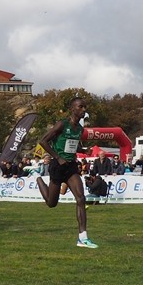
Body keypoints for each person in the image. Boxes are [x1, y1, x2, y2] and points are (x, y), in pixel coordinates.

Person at [35, 97, 98, 248]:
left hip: (71, 167)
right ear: (72, 109)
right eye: (80, 107)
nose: (83, 110)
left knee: (81, 198)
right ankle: (38, 179)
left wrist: (84, 150)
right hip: (58, 165)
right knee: (52, 203)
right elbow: (43, 141)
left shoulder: (80, 129)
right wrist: (58, 157)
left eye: (85, 107)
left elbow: (73, 145)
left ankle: (82, 238)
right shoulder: (62, 124)